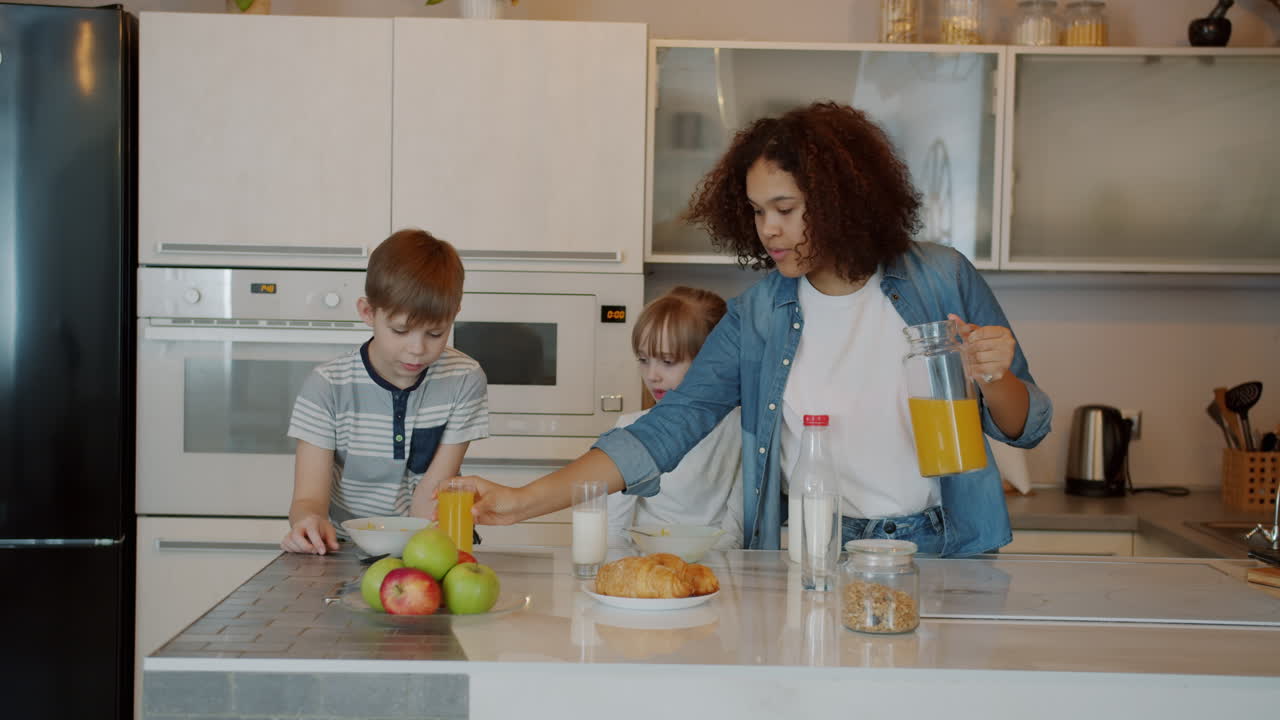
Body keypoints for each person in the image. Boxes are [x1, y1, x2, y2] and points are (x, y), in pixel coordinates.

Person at [465, 102, 1051, 556]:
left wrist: (995, 376)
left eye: (786, 209)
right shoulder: (759, 316)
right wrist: (523, 501)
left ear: (843, 199)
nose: (768, 229)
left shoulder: (940, 278)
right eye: (755, 210)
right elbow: (669, 426)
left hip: (943, 547)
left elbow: (1027, 426)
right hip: (815, 549)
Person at [281, 229, 489, 554]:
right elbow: (308, 498)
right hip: (344, 547)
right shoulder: (326, 386)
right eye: (400, 330)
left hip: (430, 543)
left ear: (454, 316)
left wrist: (415, 560)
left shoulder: (464, 379)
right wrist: (308, 521)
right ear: (368, 313)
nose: (417, 349)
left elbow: (432, 492)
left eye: (436, 333)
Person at [607, 286, 744, 549]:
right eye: (644, 360)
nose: (652, 375)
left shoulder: (740, 430)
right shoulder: (629, 428)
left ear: (712, 363)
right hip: (646, 567)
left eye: (667, 362)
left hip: (714, 568)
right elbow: (614, 529)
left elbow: (735, 529)